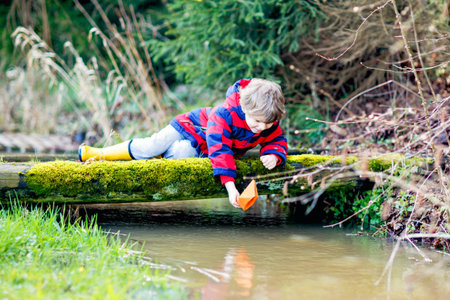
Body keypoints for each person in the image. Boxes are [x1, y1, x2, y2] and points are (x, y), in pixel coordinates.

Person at [79, 78, 288, 208]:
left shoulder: (267, 121)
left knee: (182, 154)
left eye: (268, 124)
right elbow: (220, 149)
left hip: (200, 146)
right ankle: (98, 153)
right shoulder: (225, 114)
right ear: (244, 107)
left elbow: (277, 139)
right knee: (152, 146)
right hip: (189, 127)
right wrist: (231, 187)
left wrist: (275, 155)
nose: (262, 127)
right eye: (257, 122)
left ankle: (161, 155)